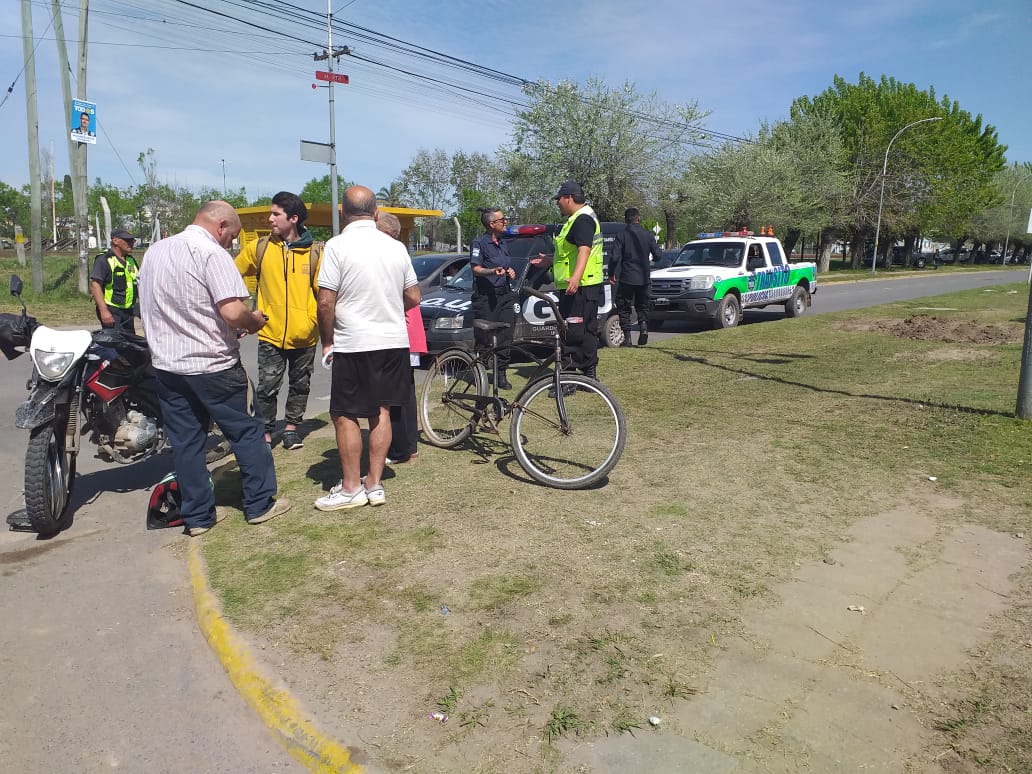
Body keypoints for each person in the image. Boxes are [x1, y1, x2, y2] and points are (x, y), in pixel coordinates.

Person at [138, 200, 291, 536]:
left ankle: (198, 518)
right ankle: (260, 504)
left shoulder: (155, 252)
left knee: (187, 442)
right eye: (231, 236)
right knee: (246, 432)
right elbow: (233, 312)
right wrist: (254, 322)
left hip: (168, 366)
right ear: (221, 226)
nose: (231, 243)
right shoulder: (211, 254)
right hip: (212, 365)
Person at [314, 186, 420, 511]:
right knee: (382, 411)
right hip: (393, 341)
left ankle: (350, 488)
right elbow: (414, 297)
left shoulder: (336, 246)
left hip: (354, 341)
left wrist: (327, 339)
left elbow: (325, 300)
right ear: (376, 214)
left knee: (344, 414)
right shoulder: (396, 248)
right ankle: (374, 483)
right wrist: (388, 304)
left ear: (343, 213)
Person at [235, 191, 322, 451]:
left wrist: (312, 321)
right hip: (270, 333)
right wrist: (241, 311)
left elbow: (325, 293)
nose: (270, 218)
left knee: (300, 385)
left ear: (293, 218)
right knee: (267, 387)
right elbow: (229, 275)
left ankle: (292, 429)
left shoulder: (316, 252)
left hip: (305, 336)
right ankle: (265, 431)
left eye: (276, 214)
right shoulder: (259, 248)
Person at [532, 181, 604, 379]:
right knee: (587, 330)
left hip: (578, 286)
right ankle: (589, 374)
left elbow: (584, 249)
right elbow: (569, 253)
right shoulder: (579, 218)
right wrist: (549, 260)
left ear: (569, 198)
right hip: (584, 284)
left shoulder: (581, 219)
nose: (558, 203)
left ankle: (570, 376)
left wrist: (576, 277)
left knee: (571, 331)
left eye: (559, 199)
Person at [377, 211, 427, 464]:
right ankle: (408, 446)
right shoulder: (401, 254)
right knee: (404, 392)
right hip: (409, 332)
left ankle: (399, 449)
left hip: (401, 332)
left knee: (394, 394)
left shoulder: (390, 255)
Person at [469, 208, 516, 389]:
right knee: (484, 338)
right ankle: (480, 373)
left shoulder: (503, 243)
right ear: (492, 224)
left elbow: (506, 265)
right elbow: (475, 268)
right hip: (485, 297)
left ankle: (501, 374)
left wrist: (510, 272)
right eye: (502, 220)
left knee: (506, 334)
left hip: (504, 294)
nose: (505, 222)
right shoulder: (479, 243)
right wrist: (491, 271)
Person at [610, 207, 663, 346]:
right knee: (642, 305)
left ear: (625, 220)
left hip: (627, 277)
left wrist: (611, 273)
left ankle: (627, 337)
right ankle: (643, 327)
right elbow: (658, 256)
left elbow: (614, 257)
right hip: (644, 277)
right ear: (638, 218)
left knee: (624, 306)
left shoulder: (621, 235)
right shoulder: (648, 235)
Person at [90, 228, 140, 334]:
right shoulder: (104, 259)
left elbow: (137, 283)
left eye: (132, 241)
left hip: (128, 311)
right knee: (114, 344)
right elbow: (95, 285)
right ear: (115, 241)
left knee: (129, 344)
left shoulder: (131, 260)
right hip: (112, 310)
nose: (131, 243)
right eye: (127, 241)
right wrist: (104, 311)